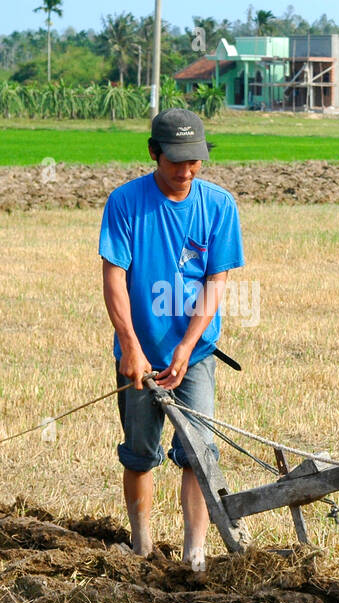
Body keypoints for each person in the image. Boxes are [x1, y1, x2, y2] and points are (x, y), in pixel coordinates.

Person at [99, 108, 244, 572]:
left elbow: (215, 282)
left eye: (195, 162)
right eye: (176, 161)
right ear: (153, 154)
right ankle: (141, 548)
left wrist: (186, 346)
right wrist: (131, 347)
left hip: (194, 353)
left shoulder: (218, 205)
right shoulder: (125, 203)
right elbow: (114, 277)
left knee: (197, 454)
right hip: (139, 356)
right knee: (140, 453)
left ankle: (193, 556)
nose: (186, 172)